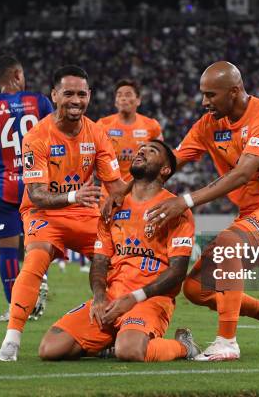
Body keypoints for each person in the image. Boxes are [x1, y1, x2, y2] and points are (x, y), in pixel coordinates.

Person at [143, 61, 259, 361]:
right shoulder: (209, 124)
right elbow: (171, 163)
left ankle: (227, 342)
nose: (204, 102)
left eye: (211, 95)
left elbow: (242, 174)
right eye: (203, 95)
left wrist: (186, 200)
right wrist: (128, 187)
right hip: (252, 215)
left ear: (234, 91)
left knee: (229, 243)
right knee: (196, 289)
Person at [0, 65, 126, 361]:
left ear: (90, 96)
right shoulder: (37, 136)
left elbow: (116, 187)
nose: (76, 100)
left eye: (82, 94)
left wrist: (150, 197)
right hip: (45, 213)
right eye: (68, 93)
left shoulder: (98, 134)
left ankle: (116, 329)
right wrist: (73, 195)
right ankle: (12, 340)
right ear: (54, 95)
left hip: (83, 213)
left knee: (117, 259)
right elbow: (36, 193)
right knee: (37, 256)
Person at [38, 140, 201, 362]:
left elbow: (178, 271)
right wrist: (99, 296)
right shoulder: (113, 206)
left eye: (152, 151)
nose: (142, 151)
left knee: (130, 351)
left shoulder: (175, 209)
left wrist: (134, 298)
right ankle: (110, 339)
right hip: (112, 297)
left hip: (149, 299)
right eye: (141, 149)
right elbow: (100, 261)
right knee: (50, 349)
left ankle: (183, 346)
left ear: (165, 170)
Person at [0, 55, 53, 322]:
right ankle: (40, 278)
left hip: (5, 188)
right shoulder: (39, 102)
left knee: (7, 250)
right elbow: (58, 138)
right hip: (38, 185)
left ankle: (15, 307)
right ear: (17, 74)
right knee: (37, 243)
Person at [96, 79, 163, 183]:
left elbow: (160, 158)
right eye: (119, 95)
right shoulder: (102, 125)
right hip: (110, 191)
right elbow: (91, 158)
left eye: (128, 95)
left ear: (138, 100)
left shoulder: (152, 126)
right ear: (115, 102)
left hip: (140, 191)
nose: (123, 98)